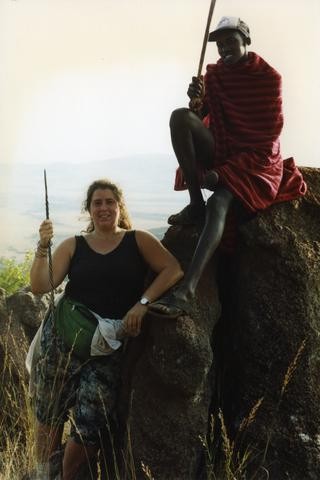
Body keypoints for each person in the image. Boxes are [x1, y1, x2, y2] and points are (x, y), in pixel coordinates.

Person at [149, 16, 306, 318]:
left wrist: (223, 173)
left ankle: (185, 293)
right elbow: (211, 116)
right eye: (219, 44)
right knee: (180, 117)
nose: (223, 48)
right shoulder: (215, 75)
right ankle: (195, 203)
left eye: (230, 40)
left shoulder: (269, 78)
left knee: (220, 201)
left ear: (246, 40)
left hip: (255, 160)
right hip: (223, 145)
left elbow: (266, 139)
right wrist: (199, 101)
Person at [29, 178, 183, 480]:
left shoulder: (137, 240)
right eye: (97, 202)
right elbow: (39, 285)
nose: (103, 207)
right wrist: (43, 246)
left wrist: (142, 303)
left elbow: (173, 269)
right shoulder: (74, 245)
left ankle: (65, 474)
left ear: (119, 206)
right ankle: (42, 474)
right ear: (89, 209)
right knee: (48, 415)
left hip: (107, 347)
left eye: (109, 201)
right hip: (62, 340)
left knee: (92, 421)